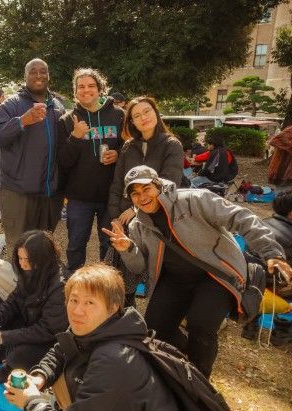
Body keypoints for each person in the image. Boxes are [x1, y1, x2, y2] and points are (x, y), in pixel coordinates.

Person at [103, 165, 292, 378]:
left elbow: (241, 218)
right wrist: (128, 248)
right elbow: (139, 266)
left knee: (201, 328)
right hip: (174, 279)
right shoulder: (138, 225)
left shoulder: (195, 199)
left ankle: (200, 384)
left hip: (213, 276)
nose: (142, 197)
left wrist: (272, 253)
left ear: (158, 185)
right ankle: (183, 364)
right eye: (135, 193)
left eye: (146, 189)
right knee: (154, 329)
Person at [5, 263, 182, 411]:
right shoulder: (97, 326)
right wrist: (40, 376)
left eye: (90, 302)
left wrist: (31, 401)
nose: (77, 311)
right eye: (73, 300)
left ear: (113, 307)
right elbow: (62, 349)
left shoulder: (115, 360)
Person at [106, 96, 184, 305]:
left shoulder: (171, 145)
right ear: (131, 122)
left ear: (156, 113)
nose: (143, 118)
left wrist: (135, 207)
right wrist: (115, 217)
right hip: (125, 219)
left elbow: (169, 183)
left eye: (147, 112)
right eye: (137, 115)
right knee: (120, 275)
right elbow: (117, 184)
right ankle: (124, 311)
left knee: (155, 272)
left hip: (157, 217)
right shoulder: (128, 146)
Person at [0, 58, 65, 256]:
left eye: (43, 71)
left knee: (43, 247)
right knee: (19, 248)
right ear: (25, 76)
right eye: (33, 71)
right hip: (17, 191)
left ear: (49, 75)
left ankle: (40, 285)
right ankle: (18, 286)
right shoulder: (12, 105)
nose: (38, 75)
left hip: (49, 192)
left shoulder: (57, 106)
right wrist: (21, 121)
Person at [58, 68, 124, 271]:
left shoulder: (119, 115)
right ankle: (73, 283)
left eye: (91, 86)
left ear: (100, 89)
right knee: (76, 244)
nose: (86, 90)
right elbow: (63, 161)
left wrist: (118, 154)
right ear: (75, 91)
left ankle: (107, 284)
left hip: (111, 194)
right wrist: (75, 138)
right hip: (79, 196)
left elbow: (131, 148)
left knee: (108, 244)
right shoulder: (68, 120)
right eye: (81, 86)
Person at [0, 230, 67, 376]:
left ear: (42, 259)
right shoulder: (30, 272)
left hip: (49, 339)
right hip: (29, 323)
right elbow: (13, 302)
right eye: (19, 258)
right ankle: (4, 359)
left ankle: (9, 368)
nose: (22, 264)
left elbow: (47, 330)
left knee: (18, 357)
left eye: (27, 259)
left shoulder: (59, 287)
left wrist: (4, 337)